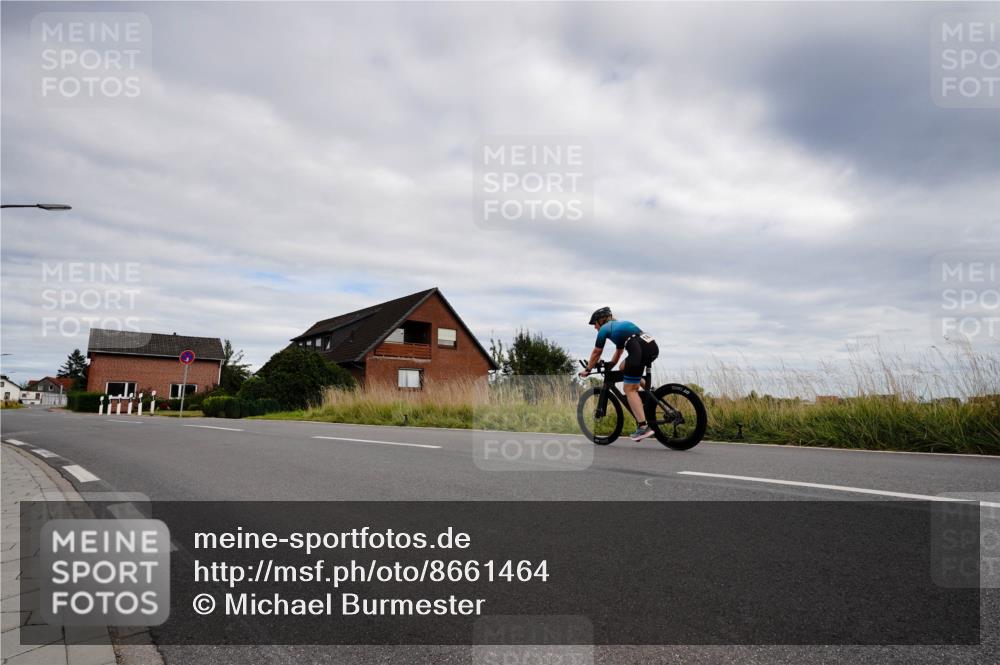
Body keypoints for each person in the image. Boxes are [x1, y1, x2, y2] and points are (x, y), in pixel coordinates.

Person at [578, 306, 660, 440]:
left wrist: (588, 369)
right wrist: (610, 365)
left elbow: (597, 352)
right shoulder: (620, 326)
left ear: (601, 320)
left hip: (637, 348)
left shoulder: (605, 329)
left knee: (629, 389)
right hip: (651, 346)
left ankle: (643, 427)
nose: (595, 327)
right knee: (624, 367)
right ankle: (649, 391)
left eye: (595, 324)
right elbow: (619, 352)